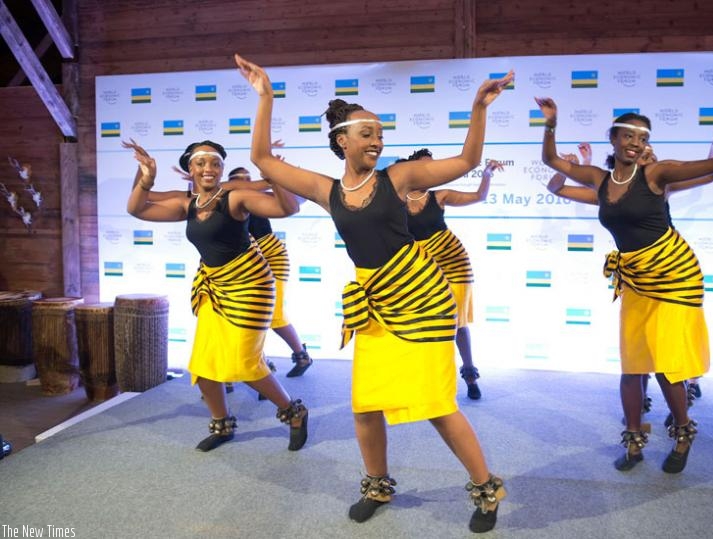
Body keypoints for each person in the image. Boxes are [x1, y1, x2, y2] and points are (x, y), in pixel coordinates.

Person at [236, 53, 512, 533]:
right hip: (374, 306)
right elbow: (262, 160)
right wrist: (266, 97)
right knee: (365, 406)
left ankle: (486, 489)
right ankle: (378, 483)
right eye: (367, 134)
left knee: (436, 406)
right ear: (342, 140)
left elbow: (467, 161)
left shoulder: (398, 177)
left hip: (420, 297)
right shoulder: (328, 191)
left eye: (381, 135)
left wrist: (479, 108)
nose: (377, 142)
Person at [536, 94, 713, 474]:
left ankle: (683, 432)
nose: (635, 143)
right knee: (633, 366)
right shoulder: (600, 181)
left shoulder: (656, 174)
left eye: (642, 138)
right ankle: (634, 444)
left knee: (665, 363)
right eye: (628, 136)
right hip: (635, 279)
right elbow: (551, 162)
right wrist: (551, 122)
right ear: (613, 139)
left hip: (675, 275)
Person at [124, 138, 310, 453]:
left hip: (251, 285)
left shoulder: (235, 198)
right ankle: (221, 423)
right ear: (190, 170)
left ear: (221, 170)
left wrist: (274, 172)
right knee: (203, 364)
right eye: (201, 163)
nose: (209, 168)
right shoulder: (188, 203)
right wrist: (147, 175)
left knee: (243, 363)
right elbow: (137, 207)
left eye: (215, 163)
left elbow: (287, 207)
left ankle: (294, 411)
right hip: (214, 287)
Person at [401, 149, 503, 400]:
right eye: (425, 167)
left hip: (454, 261)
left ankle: (470, 375)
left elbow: (480, 196)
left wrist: (487, 173)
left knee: (458, 324)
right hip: (422, 265)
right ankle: (431, 377)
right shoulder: (395, 199)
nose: (432, 172)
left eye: (433, 167)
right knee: (424, 321)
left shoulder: (440, 195)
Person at [227, 166, 313, 382]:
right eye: (238, 181)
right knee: (247, 315)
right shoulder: (226, 200)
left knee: (273, 316)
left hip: (271, 257)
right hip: (247, 261)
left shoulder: (261, 196)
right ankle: (257, 363)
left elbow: (299, 199)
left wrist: (274, 172)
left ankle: (301, 357)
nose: (244, 184)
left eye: (248, 179)